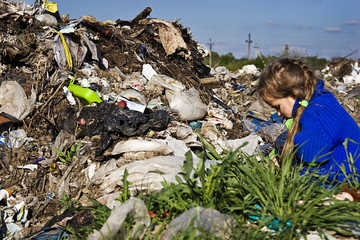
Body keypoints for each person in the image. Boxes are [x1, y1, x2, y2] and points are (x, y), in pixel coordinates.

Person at [257, 57, 360, 185]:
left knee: (283, 145)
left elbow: (310, 165)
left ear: (293, 95)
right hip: (345, 167)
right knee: (283, 140)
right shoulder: (321, 98)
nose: (278, 113)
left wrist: (285, 173)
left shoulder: (314, 116)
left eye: (278, 107)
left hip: (345, 180)